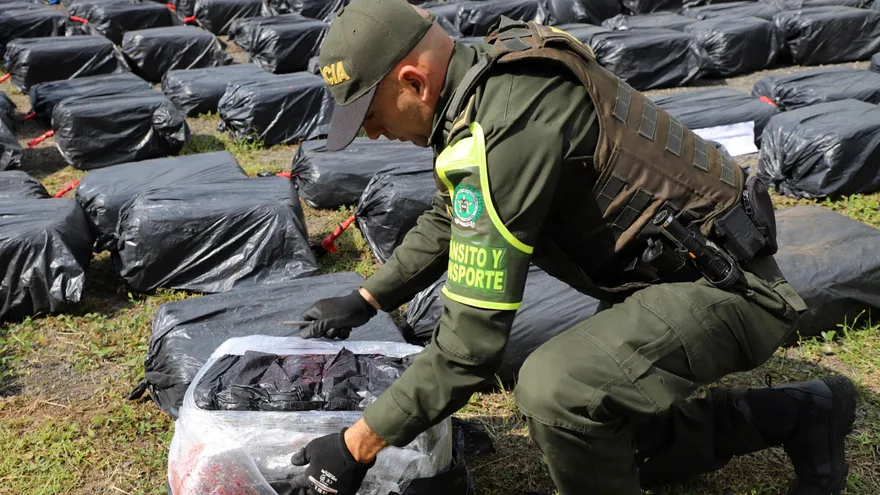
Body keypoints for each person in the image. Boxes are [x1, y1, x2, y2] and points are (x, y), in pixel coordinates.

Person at [288, 0, 858, 493]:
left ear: (414, 81)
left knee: (559, 390)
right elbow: (452, 215)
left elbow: (468, 348)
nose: (373, 133)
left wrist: (356, 445)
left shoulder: (507, 126)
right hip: (672, 277)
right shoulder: (489, 81)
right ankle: (802, 413)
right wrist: (368, 297)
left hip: (731, 290)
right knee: (592, 436)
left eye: (371, 113)